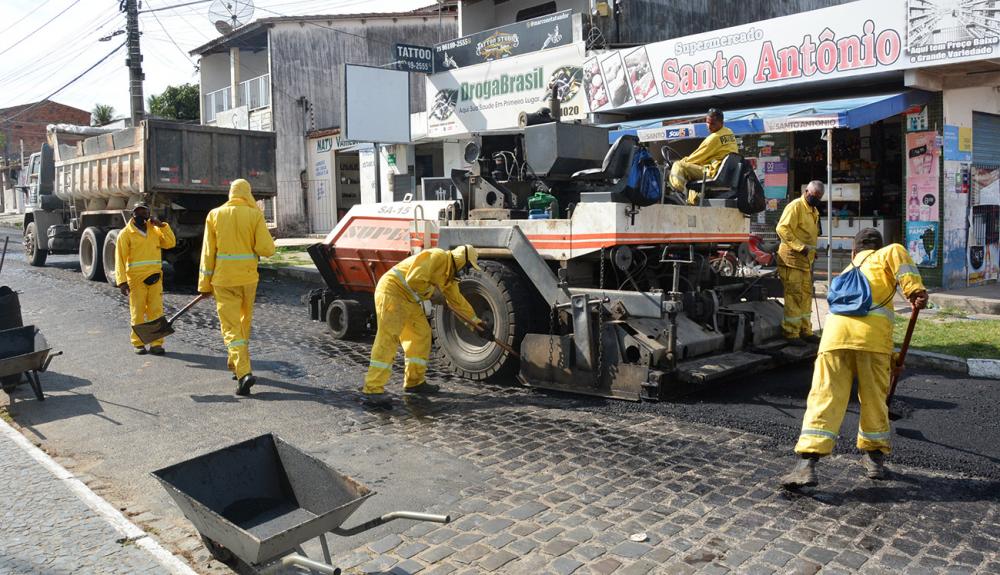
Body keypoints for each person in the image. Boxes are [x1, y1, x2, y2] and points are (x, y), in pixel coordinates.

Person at [781, 228, 928, 489]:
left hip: (833, 342)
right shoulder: (887, 253)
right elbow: (900, 260)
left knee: (824, 397)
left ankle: (806, 465)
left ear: (854, 251)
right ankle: (873, 461)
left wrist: (894, 360)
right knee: (874, 400)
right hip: (871, 344)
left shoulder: (848, 271)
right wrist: (915, 291)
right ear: (879, 247)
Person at [362, 245, 487, 409]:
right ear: (461, 259)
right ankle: (373, 390)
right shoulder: (438, 256)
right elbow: (414, 279)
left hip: (409, 299)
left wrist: (476, 324)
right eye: (467, 266)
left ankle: (414, 382)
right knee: (388, 338)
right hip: (392, 292)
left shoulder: (449, 277)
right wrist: (433, 294)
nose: (466, 271)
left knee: (421, 335)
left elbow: (458, 303)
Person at [198, 179, 275, 396]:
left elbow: (207, 253)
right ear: (247, 193)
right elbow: (266, 249)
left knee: (231, 328)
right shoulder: (254, 215)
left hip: (224, 280)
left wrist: (204, 284)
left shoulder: (214, 215)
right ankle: (235, 363)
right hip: (248, 279)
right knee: (243, 323)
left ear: (230, 194)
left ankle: (243, 373)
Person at [115, 203, 176, 355]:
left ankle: (156, 344)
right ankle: (138, 343)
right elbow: (120, 259)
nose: (142, 215)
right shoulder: (126, 234)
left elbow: (170, 243)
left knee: (156, 311)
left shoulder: (155, 230)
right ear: (132, 214)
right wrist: (122, 281)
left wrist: (163, 226)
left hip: (155, 277)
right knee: (138, 311)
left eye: (145, 212)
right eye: (138, 212)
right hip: (136, 280)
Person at [776, 181, 824, 345]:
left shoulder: (813, 210)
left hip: (805, 261)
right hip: (791, 260)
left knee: (805, 297)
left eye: (819, 197)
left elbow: (809, 235)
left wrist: (811, 251)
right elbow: (782, 228)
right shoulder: (795, 206)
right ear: (806, 191)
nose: (815, 199)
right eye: (814, 195)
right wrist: (800, 247)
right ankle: (791, 333)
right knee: (794, 296)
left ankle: (806, 330)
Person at [668, 108, 739, 205]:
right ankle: (692, 201)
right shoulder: (729, 132)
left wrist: (683, 161)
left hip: (713, 173)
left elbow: (696, 157)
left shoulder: (714, 138)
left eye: (712, 123)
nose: (709, 126)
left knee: (679, 165)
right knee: (691, 175)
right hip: (723, 173)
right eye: (707, 122)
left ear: (721, 123)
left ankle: (678, 191)